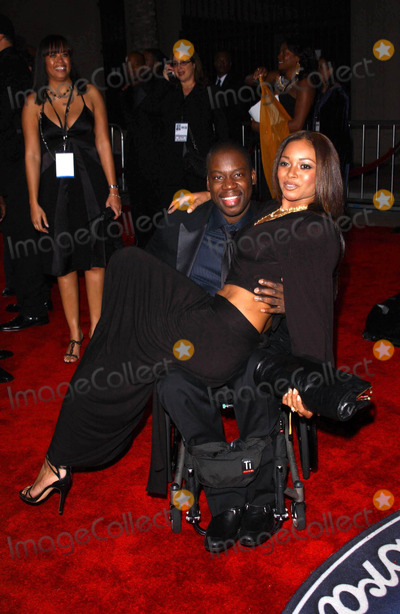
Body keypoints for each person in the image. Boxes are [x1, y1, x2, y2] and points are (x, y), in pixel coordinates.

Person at [19, 132, 344, 553]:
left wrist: (310, 380)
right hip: (212, 318)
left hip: (223, 338)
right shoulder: (276, 211)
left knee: (127, 276)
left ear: (324, 175)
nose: (291, 173)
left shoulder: (315, 227)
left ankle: (61, 456)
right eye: (285, 163)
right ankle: (66, 452)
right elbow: (238, 200)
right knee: (123, 302)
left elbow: (318, 307)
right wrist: (208, 195)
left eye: (305, 166)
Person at [22, 35, 122, 362]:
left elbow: (104, 143)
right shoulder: (33, 102)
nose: (60, 61)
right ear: (43, 62)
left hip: (92, 188)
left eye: (64, 54)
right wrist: (33, 201)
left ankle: (98, 332)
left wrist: (113, 190)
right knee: (63, 263)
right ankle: (75, 335)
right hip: (54, 191)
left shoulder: (89, 92)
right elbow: (32, 155)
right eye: (53, 56)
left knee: (95, 260)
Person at [0, 14, 51, 333]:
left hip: (15, 163)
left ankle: (34, 306)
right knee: (21, 234)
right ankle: (34, 299)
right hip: (18, 160)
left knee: (22, 235)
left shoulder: (9, 66)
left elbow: (11, 121)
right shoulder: (16, 64)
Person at [154, 46, 228, 209]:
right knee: (174, 211)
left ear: (194, 64)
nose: (179, 67)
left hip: (200, 164)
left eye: (183, 63)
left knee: (199, 211)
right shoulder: (169, 92)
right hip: (172, 166)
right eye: (175, 63)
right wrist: (164, 81)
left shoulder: (208, 92)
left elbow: (223, 129)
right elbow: (149, 112)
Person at [252, 40, 318, 133]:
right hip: (278, 137)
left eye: (284, 53)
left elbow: (297, 125)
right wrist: (260, 74)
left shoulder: (304, 83)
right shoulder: (279, 77)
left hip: (295, 139)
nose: (279, 56)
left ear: (297, 57)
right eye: (280, 52)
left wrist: (263, 127)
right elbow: (249, 80)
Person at [313, 54, 351, 184]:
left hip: (335, 148)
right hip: (322, 146)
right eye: (318, 67)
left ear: (331, 70)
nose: (318, 71)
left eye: (321, 67)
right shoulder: (321, 92)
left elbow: (339, 125)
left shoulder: (338, 93)